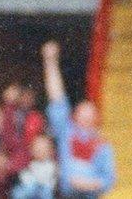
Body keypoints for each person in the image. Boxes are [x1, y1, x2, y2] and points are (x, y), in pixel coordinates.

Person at [42, 41, 116, 198]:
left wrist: (88, 184)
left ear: (96, 117)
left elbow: (109, 180)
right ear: (75, 115)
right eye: (82, 112)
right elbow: (57, 99)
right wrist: (50, 62)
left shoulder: (103, 147)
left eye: (89, 113)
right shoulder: (66, 131)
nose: (85, 116)